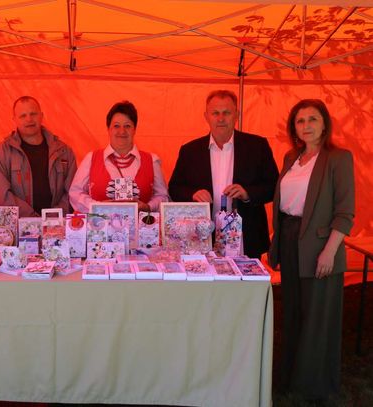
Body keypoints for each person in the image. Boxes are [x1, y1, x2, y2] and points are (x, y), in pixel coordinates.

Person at [269, 99, 355, 401]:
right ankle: (290, 378)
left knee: (317, 319)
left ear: (324, 124)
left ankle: (313, 387)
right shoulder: (291, 157)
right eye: (300, 120)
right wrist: (277, 241)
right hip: (290, 241)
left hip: (321, 247)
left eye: (312, 119)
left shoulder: (338, 158)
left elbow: (345, 213)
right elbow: (285, 205)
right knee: (293, 314)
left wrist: (329, 252)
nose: (306, 126)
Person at [168, 90, 278, 259]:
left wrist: (247, 193)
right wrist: (192, 194)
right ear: (206, 116)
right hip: (202, 238)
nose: (221, 118)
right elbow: (174, 188)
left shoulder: (258, 146)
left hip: (246, 238)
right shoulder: (190, 151)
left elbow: (274, 186)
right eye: (215, 113)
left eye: (226, 112)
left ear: (237, 115)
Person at [69, 100, 169, 213]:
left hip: (140, 224)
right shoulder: (91, 159)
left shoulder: (151, 161)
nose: (122, 131)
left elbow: (163, 196)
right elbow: (75, 193)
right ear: (108, 129)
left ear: (134, 129)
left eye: (127, 126)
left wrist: (148, 207)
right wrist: (98, 207)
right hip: (100, 223)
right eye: (116, 126)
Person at [0, 96, 77, 217]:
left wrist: (52, 218)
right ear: (14, 119)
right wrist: (31, 219)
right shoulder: (1, 153)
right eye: (23, 116)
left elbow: (73, 192)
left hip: (57, 223)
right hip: (19, 224)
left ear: (41, 116)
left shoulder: (64, 151)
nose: (29, 119)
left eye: (33, 114)